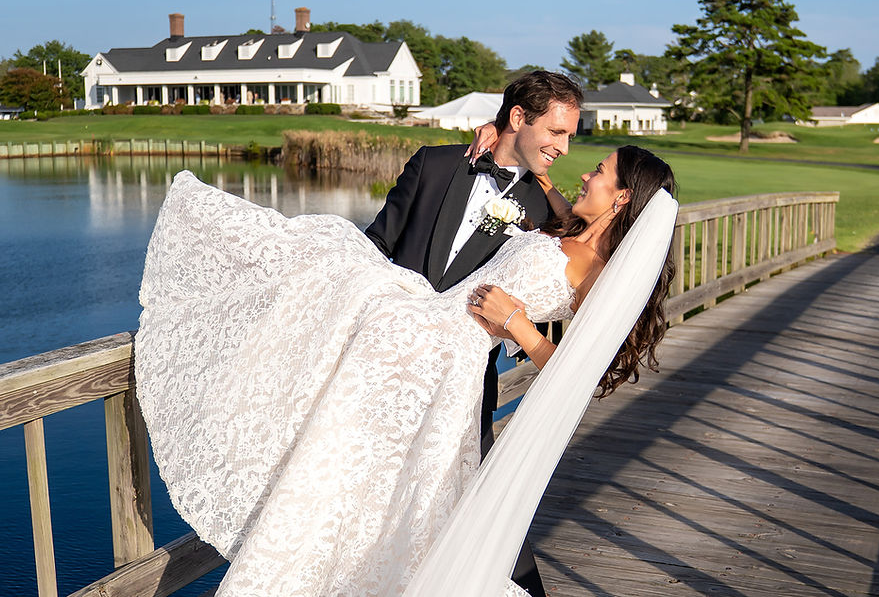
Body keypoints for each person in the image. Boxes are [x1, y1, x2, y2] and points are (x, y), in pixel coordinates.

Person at [135, 144, 675, 596]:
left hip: (440, 366)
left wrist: (520, 326)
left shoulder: (597, 271)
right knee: (344, 460)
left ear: (622, 195)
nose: (586, 173)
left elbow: (589, 374)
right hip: (417, 331)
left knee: (385, 492)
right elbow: (550, 180)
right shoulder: (567, 230)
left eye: (599, 171)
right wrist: (524, 154)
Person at [365, 70, 581, 596]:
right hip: (383, 370)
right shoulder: (435, 164)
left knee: (473, 497)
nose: (564, 147)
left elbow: (583, 235)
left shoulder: (540, 211)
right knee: (371, 500)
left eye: (570, 136)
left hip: (463, 385)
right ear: (517, 119)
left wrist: (544, 180)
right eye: (556, 132)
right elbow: (371, 249)